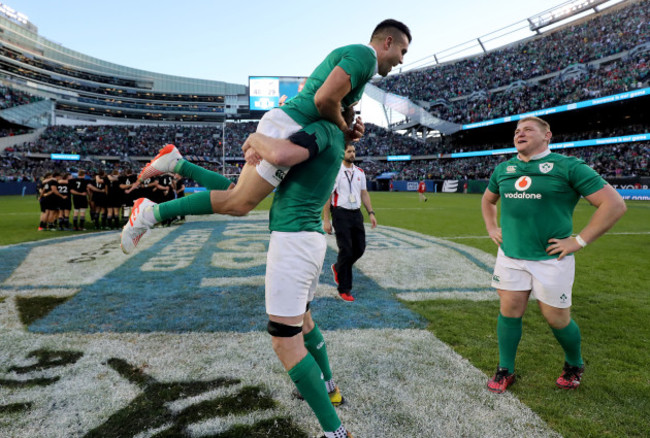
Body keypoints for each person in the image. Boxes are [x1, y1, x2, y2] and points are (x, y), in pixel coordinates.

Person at [121, 19, 410, 253]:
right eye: (403, 51)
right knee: (240, 204)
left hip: (290, 123)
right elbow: (323, 100)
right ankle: (148, 214)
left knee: (235, 194)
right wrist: (343, 127)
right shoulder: (362, 56)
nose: (401, 59)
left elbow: (336, 107)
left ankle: (176, 163)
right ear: (388, 42)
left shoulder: (361, 66)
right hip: (290, 126)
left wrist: (350, 129)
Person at [481, 116, 626, 394]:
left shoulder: (568, 167)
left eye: (528, 129)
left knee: (556, 319)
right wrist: (491, 227)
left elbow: (614, 204)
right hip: (510, 256)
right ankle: (505, 369)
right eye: (517, 131)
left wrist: (578, 241)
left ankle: (574, 363)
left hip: (551, 259)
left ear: (548, 136)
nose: (520, 133)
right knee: (509, 310)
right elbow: (488, 200)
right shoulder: (504, 169)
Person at [243, 116, 353, 438]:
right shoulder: (330, 133)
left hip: (294, 240)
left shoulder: (321, 129)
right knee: (303, 322)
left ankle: (336, 433)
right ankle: (329, 387)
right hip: (308, 238)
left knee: (284, 339)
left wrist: (254, 138)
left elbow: (277, 157)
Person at [322, 144, 377, 302]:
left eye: (353, 151)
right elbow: (328, 196)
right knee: (346, 250)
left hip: (356, 214)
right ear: (342, 153)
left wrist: (371, 213)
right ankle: (344, 289)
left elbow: (364, 193)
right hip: (340, 213)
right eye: (349, 151)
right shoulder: (335, 172)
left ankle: (338, 267)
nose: (352, 154)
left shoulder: (360, 172)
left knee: (359, 248)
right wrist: (326, 220)